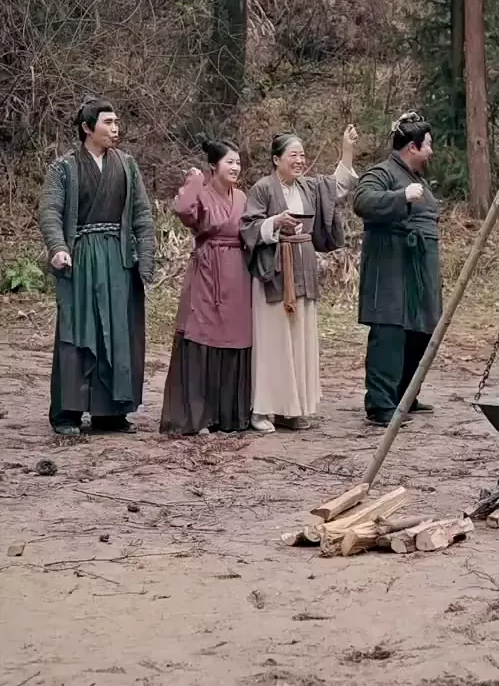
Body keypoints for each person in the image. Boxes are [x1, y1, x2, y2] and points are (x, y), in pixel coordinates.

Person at [39, 99, 155, 437]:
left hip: (118, 260)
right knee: (77, 331)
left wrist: (145, 259)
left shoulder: (127, 165)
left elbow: (142, 215)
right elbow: (50, 211)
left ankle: (111, 413)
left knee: (118, 333)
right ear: (87, 128)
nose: (115, 128)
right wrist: (59, 248)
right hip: (81, 259)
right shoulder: (64, 167)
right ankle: (68, 413)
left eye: (117, 122)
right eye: (108, 122)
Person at [241, 126, 358, 433]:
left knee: (299, 338)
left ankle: (292, 409)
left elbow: (337, 187)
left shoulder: (308, 187)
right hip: (274, 270)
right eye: (293, 155)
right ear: (276, 159)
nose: (300, 160)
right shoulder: (263, 188)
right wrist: (274, 222)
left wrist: (346, 150)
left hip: (303, 266)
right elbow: (249, 227)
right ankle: (263, 409)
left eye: (302, 155)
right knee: (273, 339)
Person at [354, 112, 441, 427]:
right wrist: (400, 196)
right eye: (427, 144)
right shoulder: (382, 173)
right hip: (390, 263)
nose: (431, 151)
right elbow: (362, 201)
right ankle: (380, 404)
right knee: (389, 332)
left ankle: (404, 395)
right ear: (412, 147)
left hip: (419, 267)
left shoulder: (417, 177)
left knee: (421, 331)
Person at [160, 139, 252, 436]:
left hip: (238, 273)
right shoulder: (202, 193)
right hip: (208, 272)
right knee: (202, 335)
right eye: (229, 162)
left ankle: (228, 416)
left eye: (238, 162)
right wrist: (195, 181)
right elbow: (183, 210)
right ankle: (198, 416)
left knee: (235, 336)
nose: (235, 167)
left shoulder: (242, 197)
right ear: (214, 165)